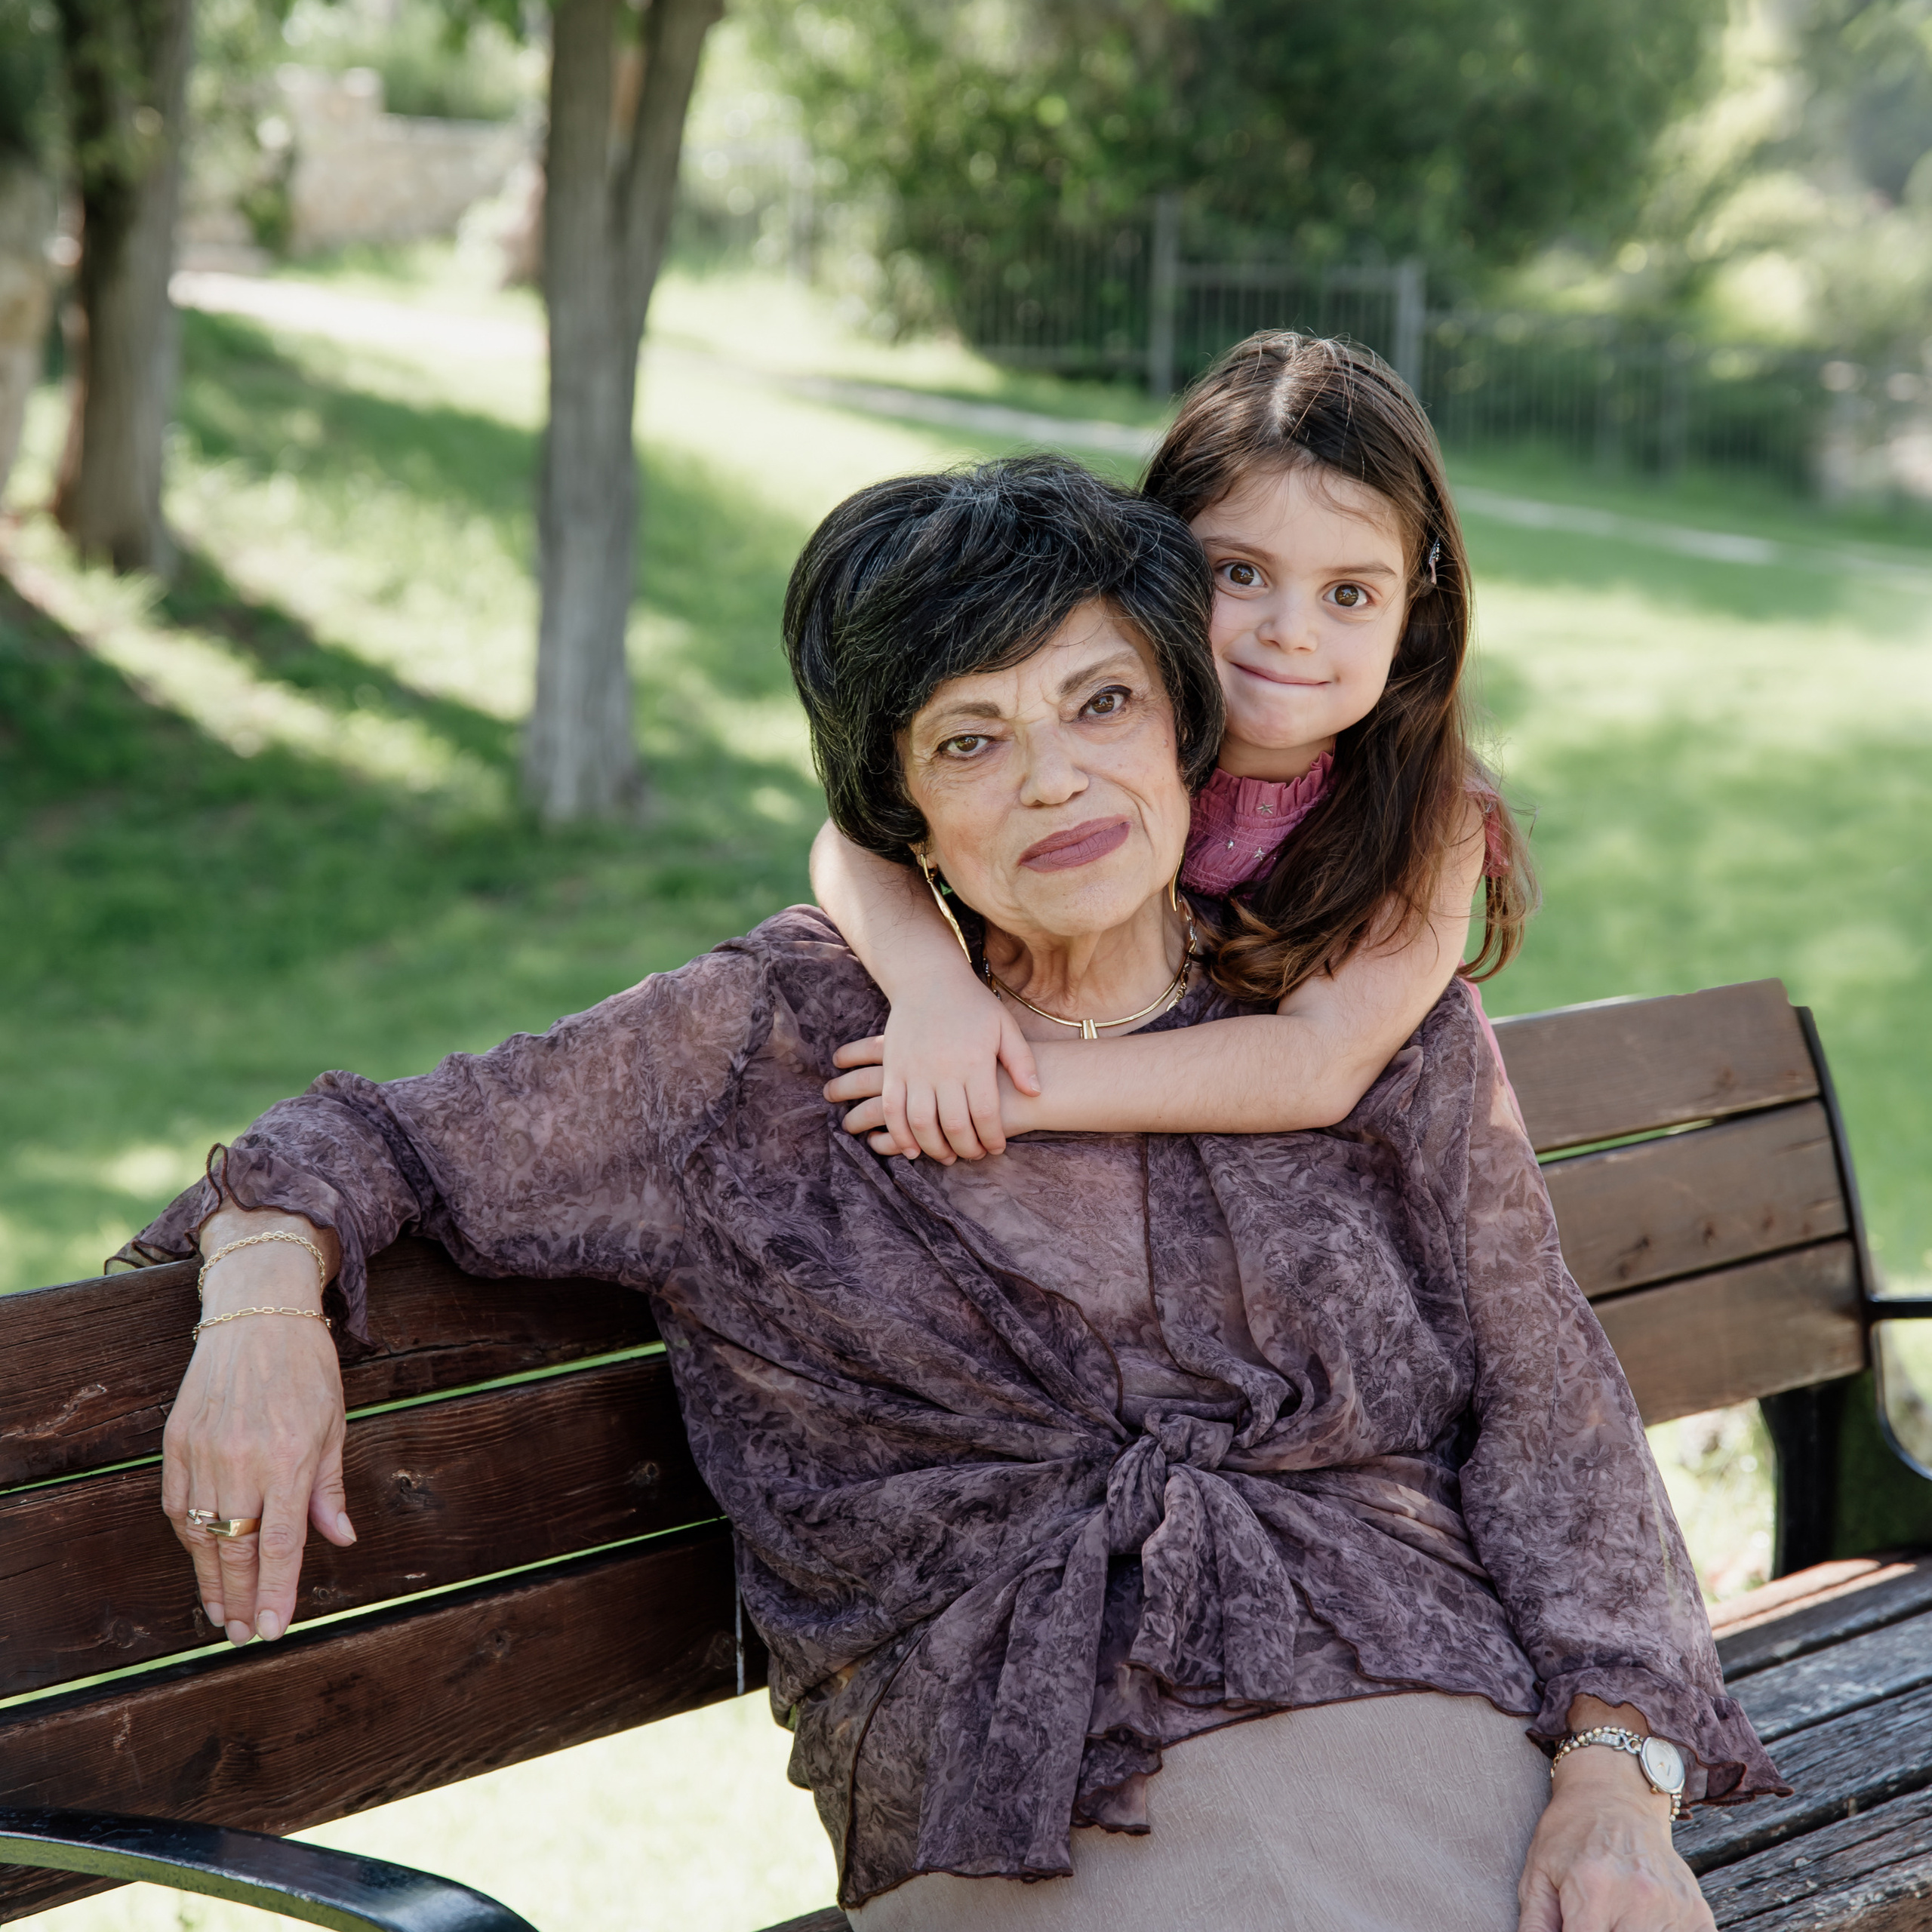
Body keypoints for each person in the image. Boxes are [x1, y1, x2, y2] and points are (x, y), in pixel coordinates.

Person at [129, 457, 1781, 1932]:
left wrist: (1613, 1774)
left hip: (1422, 1704)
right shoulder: (767, 1041)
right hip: (1018, 1793)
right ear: (896, 802)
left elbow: (1546, 1397)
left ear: (1184, 719)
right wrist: (265, 1293)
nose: (1054, 781)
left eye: (1101, 705)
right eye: (971, 740)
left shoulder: (1347, 1013)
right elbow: (365, 1139)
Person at [812, 331, 1534, 1165]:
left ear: (1412, 613)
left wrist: (1008, 1084)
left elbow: (1317, 1063)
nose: (1290, 634)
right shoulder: (1109, 742)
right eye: (1240, 574)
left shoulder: (1430, 817)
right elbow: (857, 839)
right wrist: (934, 991)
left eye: (1348, 593)